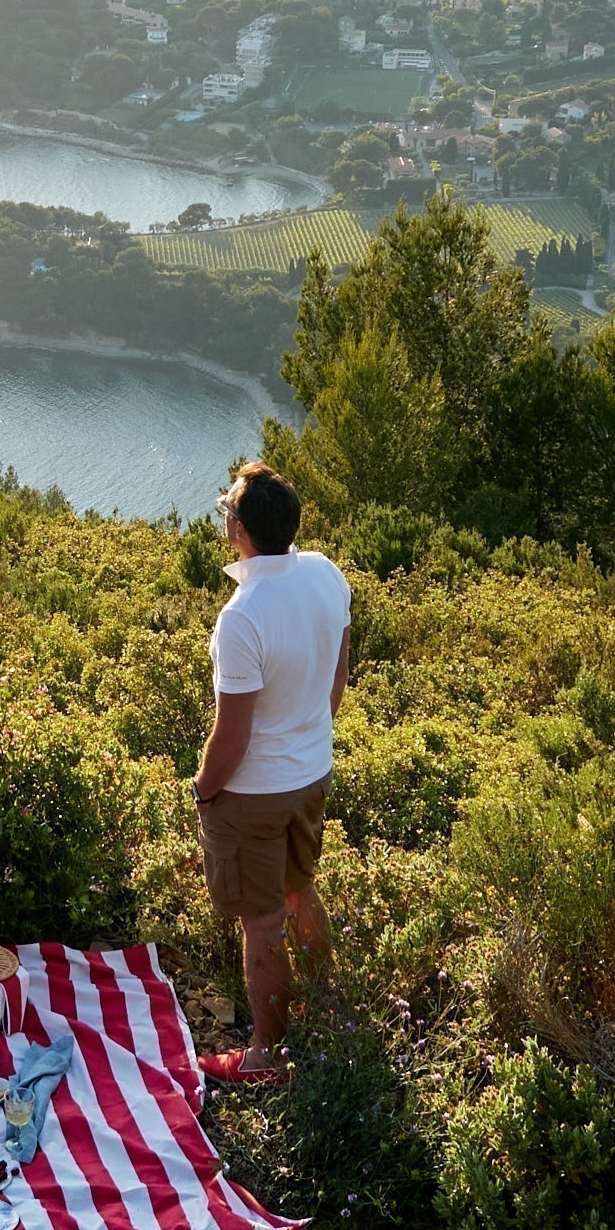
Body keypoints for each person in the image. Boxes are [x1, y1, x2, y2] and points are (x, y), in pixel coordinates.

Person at [192, 460, 348, 1083]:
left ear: (241, 533)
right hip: (312, 774)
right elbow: (337, 675)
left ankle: (267, 1055)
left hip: (253, 794)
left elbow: (232, 735)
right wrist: (310, 734)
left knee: (261, 923)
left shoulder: (242, 616)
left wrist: (204, 790)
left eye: (228, 510)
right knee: (298, 888)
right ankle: (326, 1004)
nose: (225, 519)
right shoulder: (325, 575)